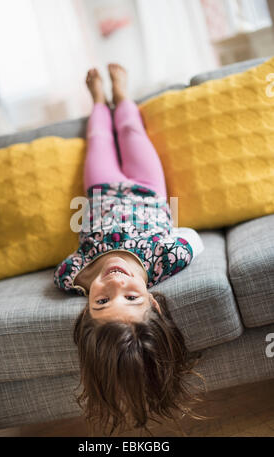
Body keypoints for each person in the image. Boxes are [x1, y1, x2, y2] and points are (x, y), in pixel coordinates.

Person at [54, 64, 206, 436]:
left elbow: (62, 272)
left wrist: (81, 281)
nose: (114, 284)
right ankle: (121, 92)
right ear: (153, 301)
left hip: (102, 189)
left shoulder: (74, 276)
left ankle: (98, 99)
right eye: (132, 296)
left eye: (102, 302)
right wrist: (168, 232)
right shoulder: (165, 259)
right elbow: (193, 238)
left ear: (86, 311)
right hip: (147, 187)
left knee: (101, 139)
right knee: (132, 130)